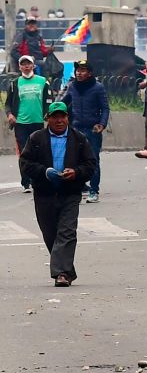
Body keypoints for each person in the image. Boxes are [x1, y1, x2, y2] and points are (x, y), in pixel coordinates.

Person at [19, 102, 96, 287]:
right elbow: (25, 163)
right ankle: (67, 269)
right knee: (50, 234)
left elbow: (90, 164)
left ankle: (61, 274)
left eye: (63, 116)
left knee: (67, 232)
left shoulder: (79, 139)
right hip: (44, 194)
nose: (59, 120)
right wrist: (45, 172)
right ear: (48, 119)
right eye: (55, 117)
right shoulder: (36, 139)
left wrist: (76, 172)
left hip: (70, 193)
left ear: (68, 118)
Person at [61, 60, 109, 204]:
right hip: (76, 128)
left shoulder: (98, 88)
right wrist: (53, 112)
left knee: (92, 160)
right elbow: (64, 102)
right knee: (74, 159)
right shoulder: (72, 87)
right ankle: (81, 186)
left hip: (92, 129)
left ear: (89, 73)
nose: (79, 73)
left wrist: (102, 124)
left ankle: (94, 190)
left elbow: (105, 108)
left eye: (82, 70)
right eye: (77, 70)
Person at [5, 55, 53, 192]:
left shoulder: (42, 81)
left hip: (37, 122)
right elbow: (8, 104)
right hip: (20, 123)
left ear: (33, 66)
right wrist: (10, 115)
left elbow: (49, 99)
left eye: (28, 64)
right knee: (24, 153)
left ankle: (36, 179)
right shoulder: (15, 83)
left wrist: (47, 113)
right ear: (20, 67)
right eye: (23, 64)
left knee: (38, 152)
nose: (26, 66)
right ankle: (25, 182)